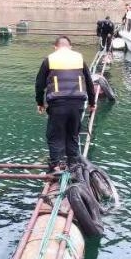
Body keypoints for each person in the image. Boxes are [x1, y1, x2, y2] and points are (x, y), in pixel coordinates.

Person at [35, 36, 96, 173]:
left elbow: (39, 84)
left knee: (55, 134)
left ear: (55, 47)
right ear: (70, 47)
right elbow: (90, 83)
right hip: (78, 102)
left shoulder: (49, 59)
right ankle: (73, 165)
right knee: (73, 133)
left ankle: (55, 166)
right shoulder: (79, 58)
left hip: (57, 103)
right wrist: (92, 103)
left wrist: (40, 103)